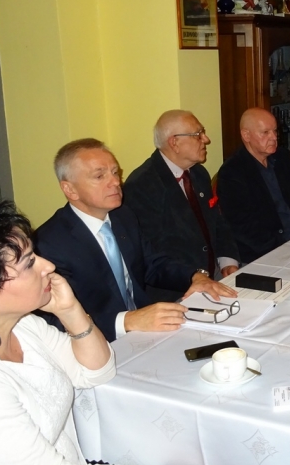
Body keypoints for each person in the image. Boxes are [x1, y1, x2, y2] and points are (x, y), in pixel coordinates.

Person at [0, 200, 150, 465]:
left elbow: (97, 371)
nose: (48, 265)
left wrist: (70, 310)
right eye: (29, 263)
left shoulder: (20, 324)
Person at [34, 138, 236, 342]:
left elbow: (152, 264)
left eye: (115, 172)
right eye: (99, 176)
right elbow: (51, 320)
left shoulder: (122, 215)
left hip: (145, 331)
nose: (115, 182)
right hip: (97, 342)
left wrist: (195, 276)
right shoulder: (49, 244)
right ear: (70, 189)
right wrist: (127, 321)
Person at [123, 110, 240, 282]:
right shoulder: (142, 185)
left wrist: (227, 260)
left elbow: (217, 222)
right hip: (177, 284)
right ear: (174, 142)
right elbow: (153, 254)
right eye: (198, 134)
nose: (206, 139)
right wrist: (194, 277)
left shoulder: (199, 173)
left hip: (214, 271)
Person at [217, 108, 290, 264]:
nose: (274, 137)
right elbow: (243, 226)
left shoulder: (280, 157)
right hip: (263, 253)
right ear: (246, 135)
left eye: (275, 131)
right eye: (265, 132)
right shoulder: (232, 172)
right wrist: (285, 250)